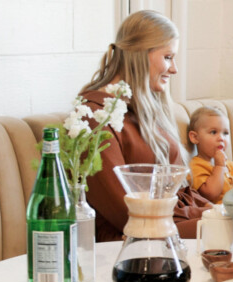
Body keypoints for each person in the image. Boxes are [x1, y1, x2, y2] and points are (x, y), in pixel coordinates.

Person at [80, 10, 212, 242]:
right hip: (136, 238)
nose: (174, 69)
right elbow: (128, 215)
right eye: (168, 57)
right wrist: (220, 222)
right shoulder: (94, 119)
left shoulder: (145, 107)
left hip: (171, 223)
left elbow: (181, 196)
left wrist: (221, 213)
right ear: (140, 54)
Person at [187, 106, 233, 204]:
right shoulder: (195, 166)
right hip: (217, 214)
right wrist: (219, 166)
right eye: (213, 132)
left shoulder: (231, 165)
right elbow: (211, 193)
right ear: (195, 137)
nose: (221, 138)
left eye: (225, 133)